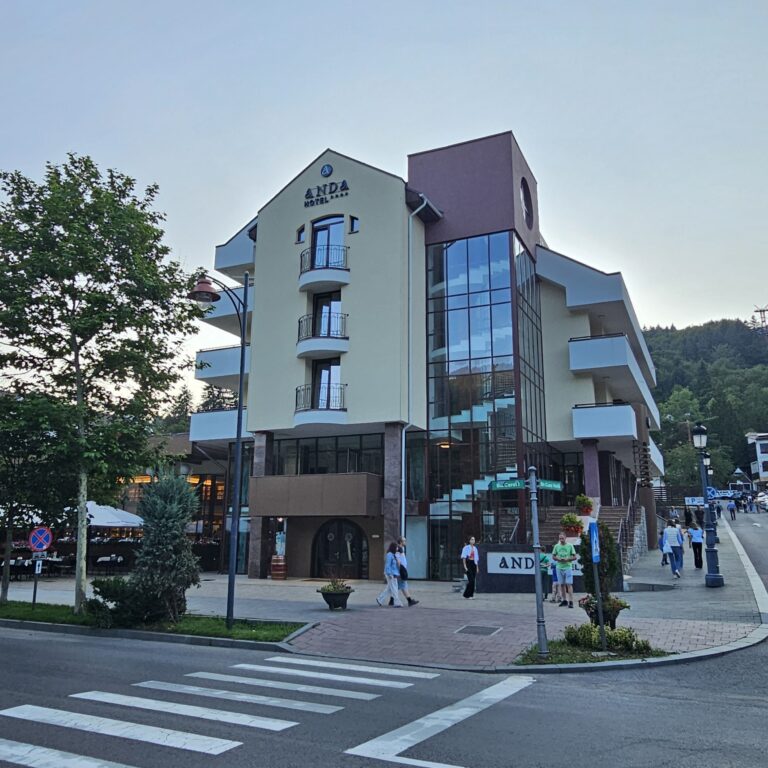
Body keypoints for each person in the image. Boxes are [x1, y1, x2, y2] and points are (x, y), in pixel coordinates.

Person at [552, 531, 577, 608]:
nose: (561, 540)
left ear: (565, 538)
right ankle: (564, 600)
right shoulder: (556, 546)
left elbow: (575, 556)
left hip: (567, 567)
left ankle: (571, 601)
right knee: (561, 584)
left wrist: (568, 559)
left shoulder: (570, 546)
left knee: (569, 584)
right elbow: (553, 556)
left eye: (562, 538)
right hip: (559, 567)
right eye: (560, 539)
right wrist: (558, 558)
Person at [376, 542, 403, 607]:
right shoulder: (389, 555)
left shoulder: (394, 555)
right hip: (390, 574)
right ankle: (397, 602)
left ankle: (380, 599)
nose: (397, 548)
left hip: (394, 574)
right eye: (396, 547)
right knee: (394, 588)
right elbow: (388, 565)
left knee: (389, 588)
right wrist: (389, 574)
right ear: (393, 547)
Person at [394, 536, 419, 607]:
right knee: (403, 586)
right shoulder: (399, 549)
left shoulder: (400, 548)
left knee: (397, 586)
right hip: (401, 571)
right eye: (404, 541)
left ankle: (392, 600)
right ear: (401, 542)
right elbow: (398, 560)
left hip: (402, 570)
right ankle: (410, 601)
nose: (405, 542)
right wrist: (400, 570)